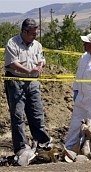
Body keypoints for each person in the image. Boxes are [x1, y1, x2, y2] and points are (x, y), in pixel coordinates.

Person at [4, 18, 52, 166]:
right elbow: (12, 63)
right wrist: (28, 70)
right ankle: (21, 147)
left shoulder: (37, 45)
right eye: (32, 33)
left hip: (33, 82)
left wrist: (41, 64)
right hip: (16, 82)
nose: (34, 36)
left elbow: (41, 58)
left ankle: (43, 143)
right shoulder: (12, 43)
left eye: (36, 33)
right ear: (24, 32)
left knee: (37, 113)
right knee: (18, 116)